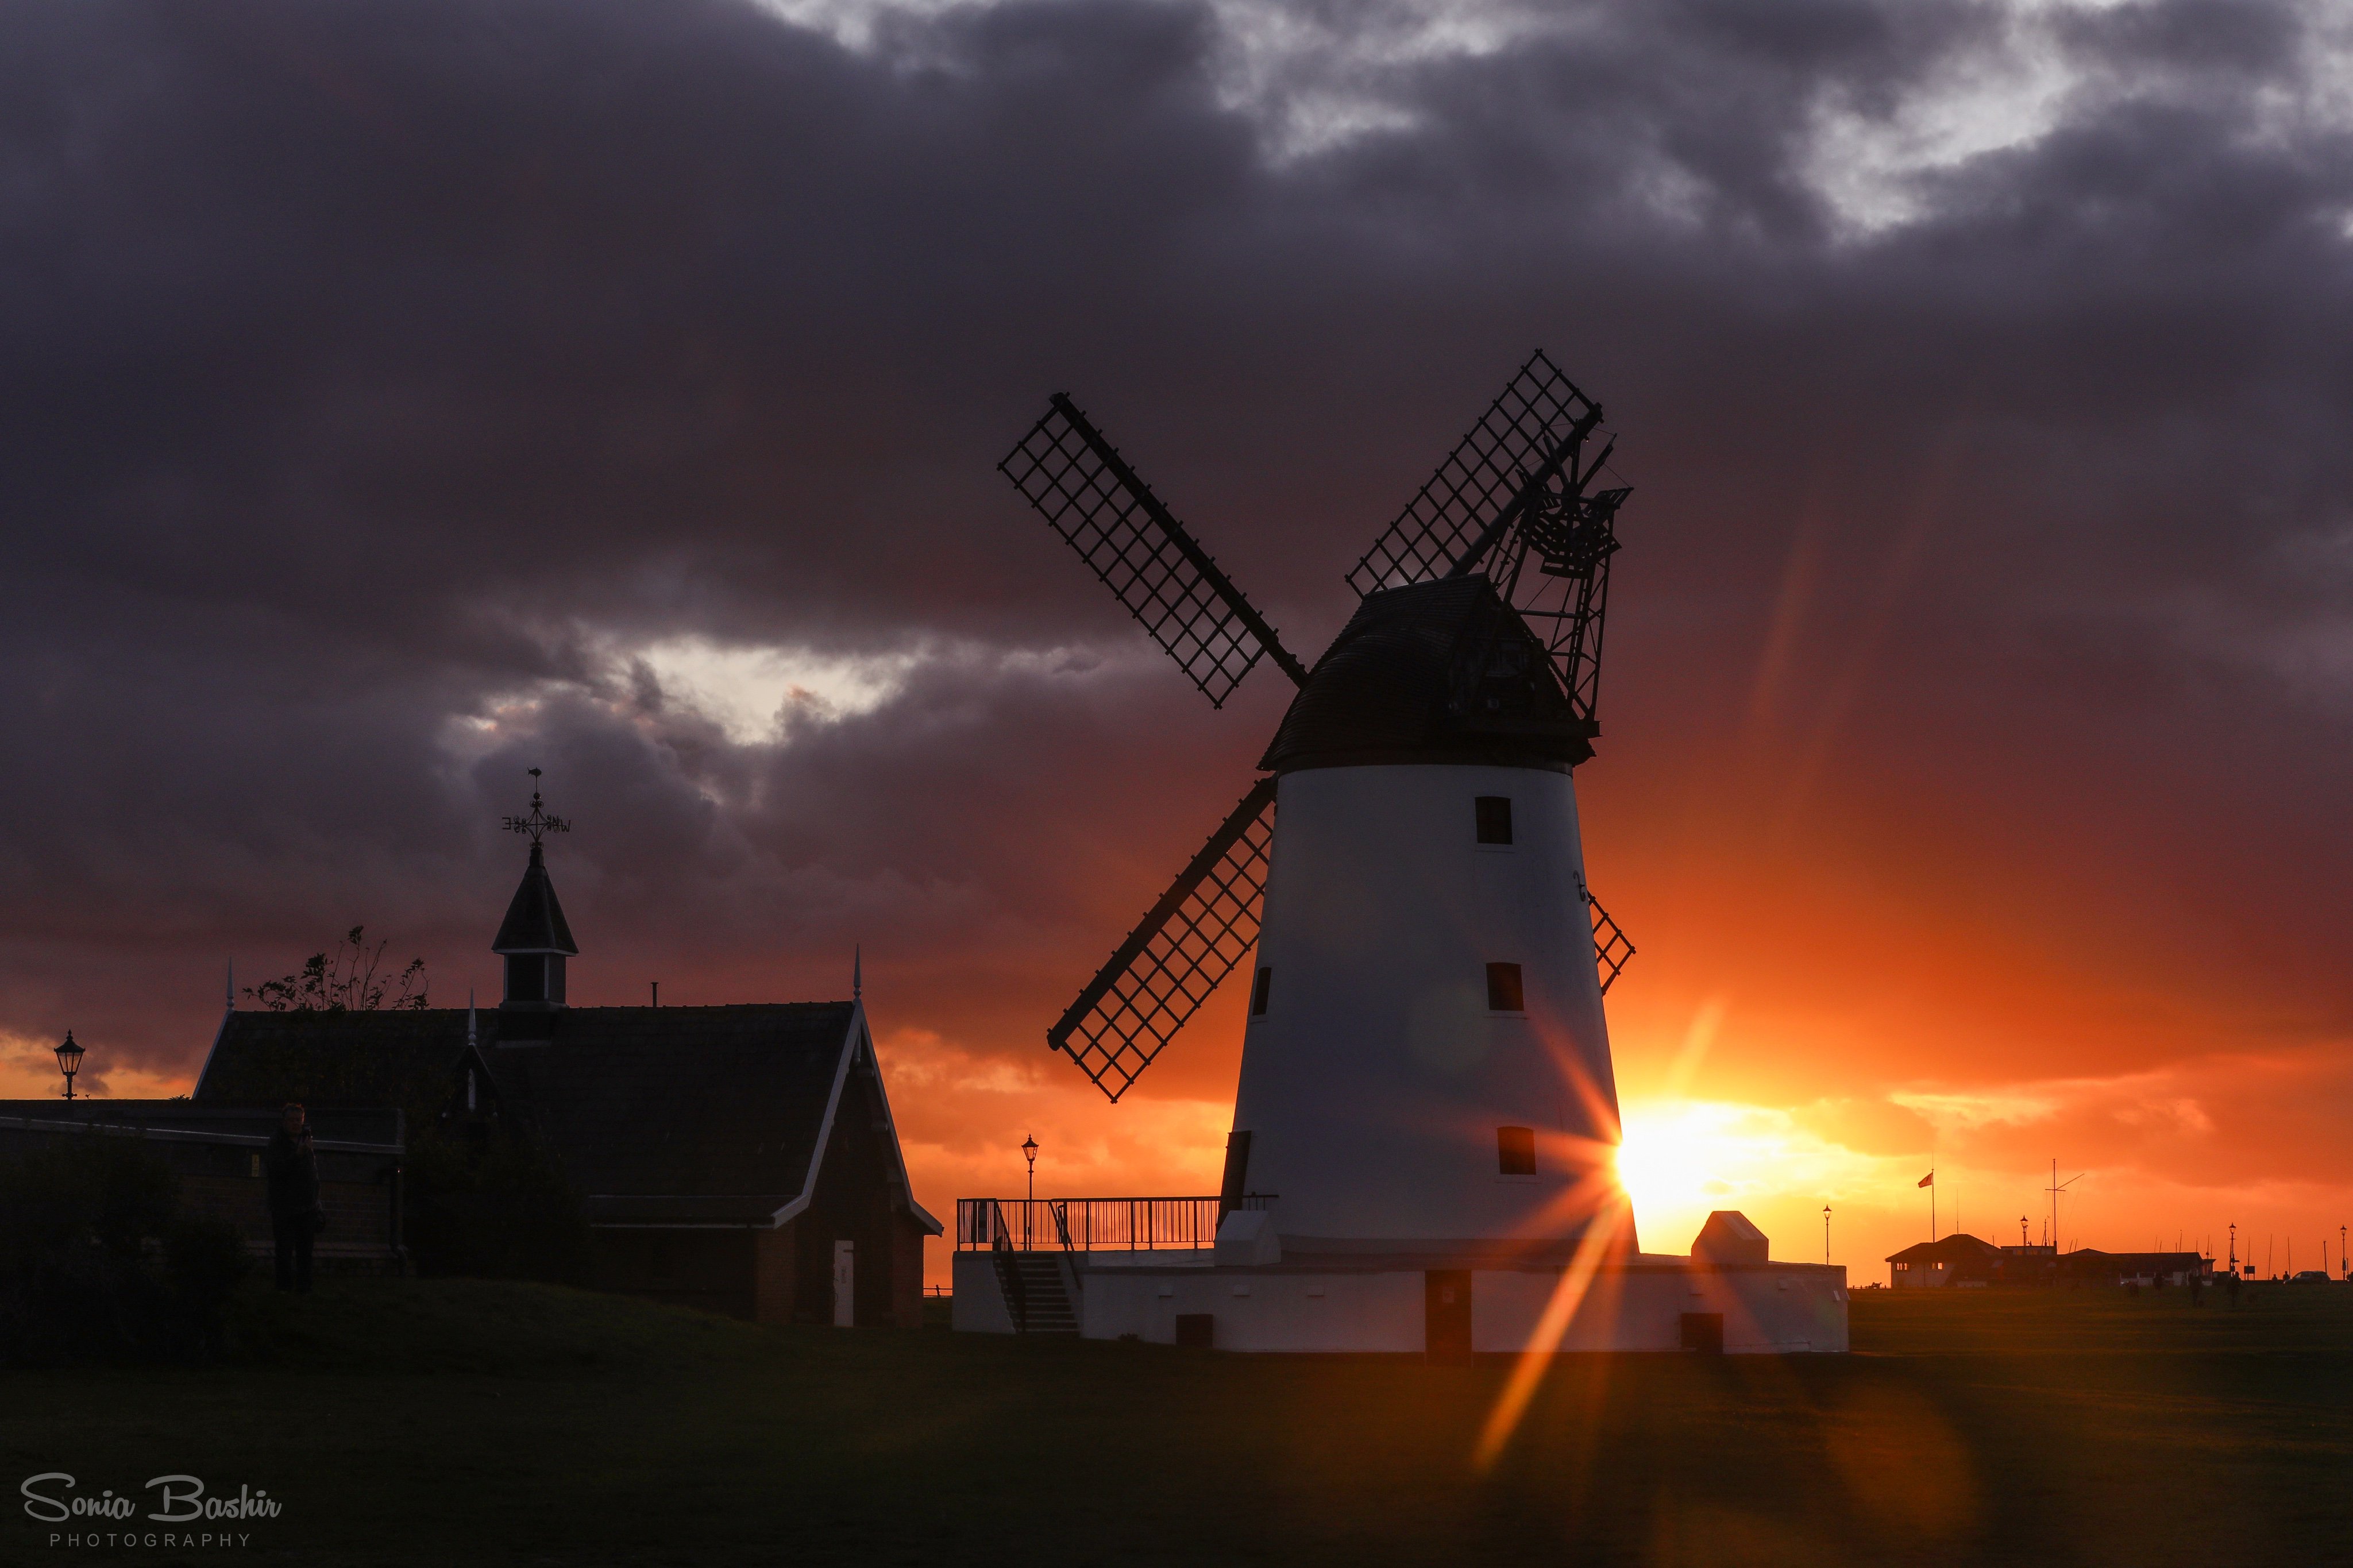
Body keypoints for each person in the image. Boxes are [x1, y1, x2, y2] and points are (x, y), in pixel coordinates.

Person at [265, 1102, 322, 1293]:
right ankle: (284, 1288)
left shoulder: (305, 1142)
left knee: (306, 1251)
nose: (296, 1124)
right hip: (285, 1207)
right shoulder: (277, 1143)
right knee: (285, 1250)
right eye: (292, 1120)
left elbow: (312, 1174)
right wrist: (297, 1155)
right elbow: (277, 1171)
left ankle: (305, 1288)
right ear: (283, 1122)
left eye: (299, 1120)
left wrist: (317, 1201)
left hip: (307, 1207)